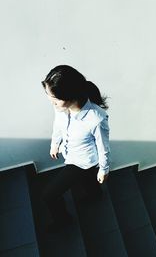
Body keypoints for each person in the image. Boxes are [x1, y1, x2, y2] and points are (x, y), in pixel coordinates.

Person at [41, 65, 110, 232]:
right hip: (69, 154)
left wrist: (104, 169)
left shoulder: (96, 118)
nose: (52, 102)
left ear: (70, 95)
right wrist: (55, 143)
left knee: (49, 195)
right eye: (49, 97)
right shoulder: (60, 107)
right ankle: (95, 195)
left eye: (55, 98)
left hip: (83, 161)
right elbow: (57, 126)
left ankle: (63, 220)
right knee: (88, 181)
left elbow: (103, 147)